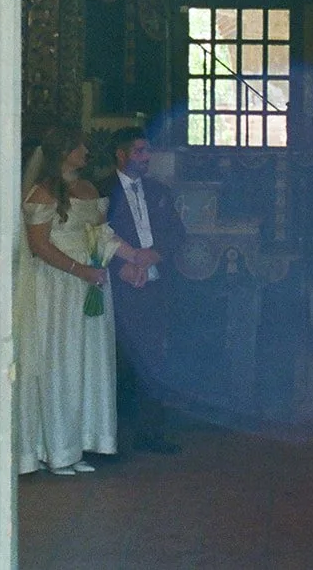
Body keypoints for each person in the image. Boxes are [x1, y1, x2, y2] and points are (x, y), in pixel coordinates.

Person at [15, 126, 159, 476]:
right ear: (63, 151)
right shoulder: (43, 193)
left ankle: (78, 443)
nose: (85, 151)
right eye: (79, 146)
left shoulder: (89, 189)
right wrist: (81, 270)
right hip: (58, 286)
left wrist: (132, 257)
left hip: (91, 282)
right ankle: (52, 449)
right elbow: (39, 246)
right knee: (59, 362)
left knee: (86, 362)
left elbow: (101, 234)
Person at [103, 127, 187, 455]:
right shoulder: (102, 191)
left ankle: (151, 432)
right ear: (121, 155)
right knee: (119, 360)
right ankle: (116, 439)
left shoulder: (158, 191)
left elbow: (177, 233)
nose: (146, 157)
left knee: (155, 357)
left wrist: (155, 254)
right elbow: (92, 237)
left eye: (147, 151)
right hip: (118, 288)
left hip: (155, 285)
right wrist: (119, 266)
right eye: (138, 151)